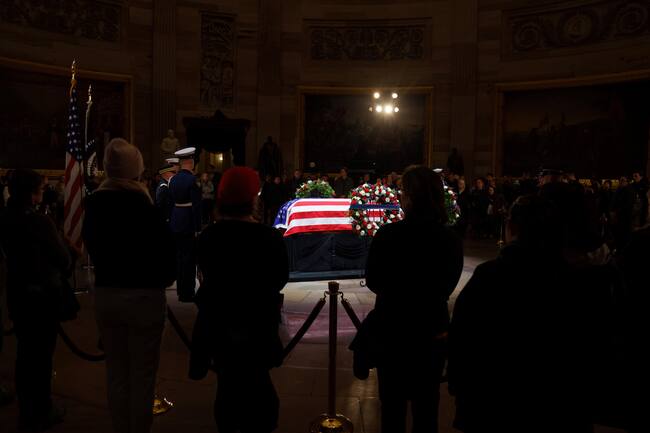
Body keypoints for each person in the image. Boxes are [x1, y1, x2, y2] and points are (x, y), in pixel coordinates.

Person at [448, 195, 594, 433]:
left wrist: (459, 386)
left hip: (495, 402)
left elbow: (463, 336)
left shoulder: (490, 276)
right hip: (559, 405)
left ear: (512, 227)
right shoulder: (577, 280)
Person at [357, 165, 463, 433]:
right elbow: (449, 283)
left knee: (391, 412)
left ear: (410, 198)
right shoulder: (449, 238)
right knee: (427, 411)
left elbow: (373, 281)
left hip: (392, 333)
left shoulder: (389, 235)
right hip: (431, 333)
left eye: (403, 191)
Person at [83, 138, 175, 433]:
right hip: (143, 296)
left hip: (108, 294)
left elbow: (92, 245)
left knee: (116, 373)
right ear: (135, 170)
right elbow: (165, 255)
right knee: (143, 374)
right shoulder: (144, 207)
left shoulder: (94, 204)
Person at [189, 166, 288, 433]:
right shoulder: (269, 238)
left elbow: (206, 276)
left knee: (227, 390)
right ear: (253, 200)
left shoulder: (209, 236)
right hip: (257, 326)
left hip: (220, 326)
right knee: (261, 397)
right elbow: (280, 278)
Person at [0, 169, 72, 431]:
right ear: (32, 194)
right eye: (41, 189)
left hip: (18, 293)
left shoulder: (5, 217)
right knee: (41, 358)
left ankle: (26, 407)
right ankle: (41, 409)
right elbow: (62, 259)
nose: (43, 194)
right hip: (41, 298)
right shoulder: (39, 222)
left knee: (24, 354)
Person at [168, 147, 201, 302]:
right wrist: (198, 228)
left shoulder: (173, 179)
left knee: (179, 257)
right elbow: (196, 206)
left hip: (176, 219)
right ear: (190, 162)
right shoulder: (192, 180)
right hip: (188, 221)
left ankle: (180, 290)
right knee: (189, 259)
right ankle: (187, 293)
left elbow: (170, 203)